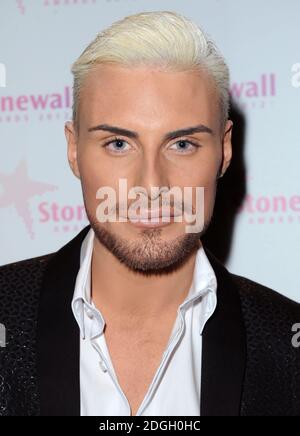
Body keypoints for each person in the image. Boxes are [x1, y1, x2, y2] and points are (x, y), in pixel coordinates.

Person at [0, 10, 299, 416]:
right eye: (119, 144)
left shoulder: (287, 346)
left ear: (224, 150)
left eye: (182, 145)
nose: (151, 185)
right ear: (73, 150)